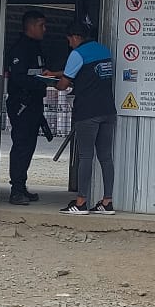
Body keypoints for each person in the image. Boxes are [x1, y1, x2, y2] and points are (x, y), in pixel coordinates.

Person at [48, 23, 117, 214]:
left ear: (75, 37)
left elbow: (64, 84)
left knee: (86, 156)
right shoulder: (104, 50)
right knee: (106, 157)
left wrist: (52, 82)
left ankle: (81, 203)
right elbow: (84, 70)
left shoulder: (77, 54)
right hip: (108, 110)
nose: (69, 44)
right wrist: (55, 73)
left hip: (88, 112)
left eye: (69, 40)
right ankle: (107, 202)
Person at [5, 10, 49, 205]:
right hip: (21, 104)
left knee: (29, 146)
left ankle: (21, 186)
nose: (44, 29)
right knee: (21, 146)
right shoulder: (20, 48)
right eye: (41, 25)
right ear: (30, 26)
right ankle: (16, 190)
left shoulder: (36, 47)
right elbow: (18, 78)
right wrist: (41, 83)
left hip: (34, 104)